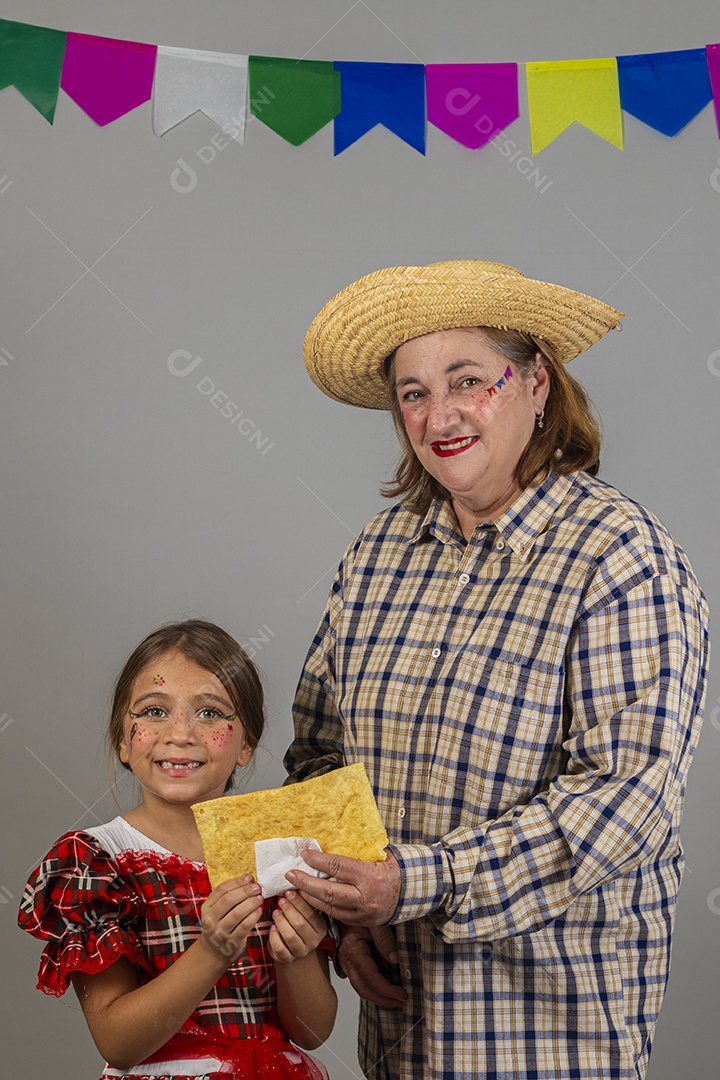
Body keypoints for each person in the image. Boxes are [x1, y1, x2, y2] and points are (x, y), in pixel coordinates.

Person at [282, 260, 710, 1080]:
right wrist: (350, 912)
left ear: (537, 383)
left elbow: (624, 800)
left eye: (468, 380)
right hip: (399, 1035)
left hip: (548, 1039)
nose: (438, 415)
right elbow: (320, 752)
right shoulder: (377, 554)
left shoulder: (621, 559)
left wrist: (411, 883)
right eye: (413, 392)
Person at [19, 619, 337, 1080]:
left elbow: (311, 1032)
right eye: (154, 711)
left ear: (246, 744)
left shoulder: (281, 851)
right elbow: (118, 1043)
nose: (180, 733)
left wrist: (296, 957)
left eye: (210, 713)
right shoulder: (96, 863)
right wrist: (212, 950)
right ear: (122, 740)